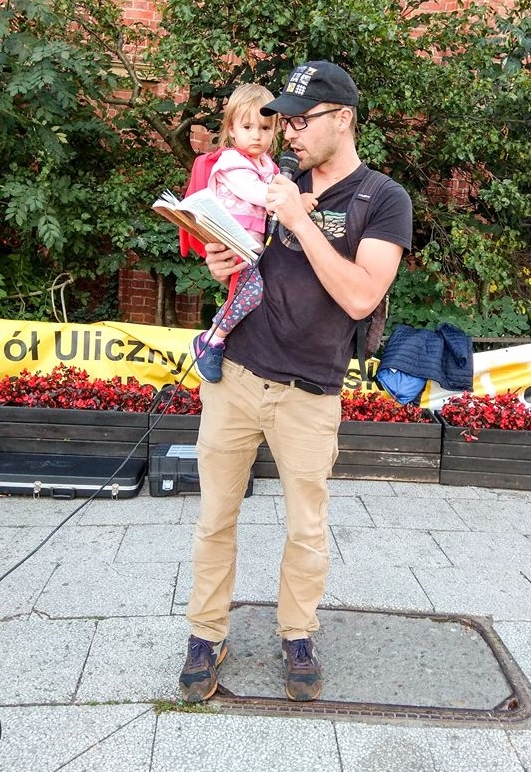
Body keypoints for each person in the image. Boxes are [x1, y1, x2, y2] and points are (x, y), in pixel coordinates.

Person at [179, 61, 413, 703]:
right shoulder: (272, 178)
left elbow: (361, 296)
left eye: (302, 122)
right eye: (285, 122)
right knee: (214, 516)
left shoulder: (382, 199)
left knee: (306, 528)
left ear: (344, 119)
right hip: (236, 375)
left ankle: (298, 635)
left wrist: (301, 221)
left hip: (309, 391)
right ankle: (206, 634)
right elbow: (239, 252)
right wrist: (219, 257)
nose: (289, 135)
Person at [191, 83, 318, 383]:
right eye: (247, 127)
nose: (257, 135)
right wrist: (296, 201)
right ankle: (211, 340)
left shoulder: (267, 166)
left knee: (252, 292)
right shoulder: (232, 163)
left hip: (251, 246)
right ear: (231, 130)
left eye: (265, 128)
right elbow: (258, 194)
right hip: (232, 240)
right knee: (251, 293)